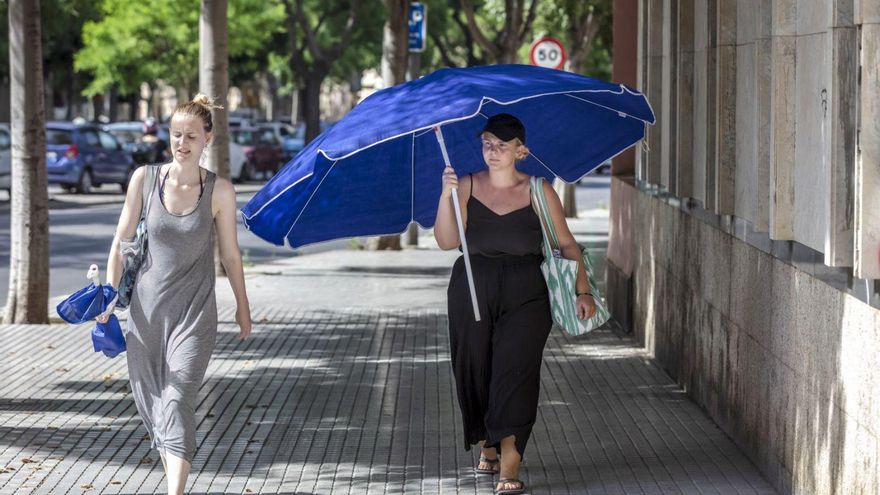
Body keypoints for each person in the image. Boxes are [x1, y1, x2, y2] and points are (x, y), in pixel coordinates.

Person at [434, 113, 596, 495]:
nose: (492, 151)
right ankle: (488, 441)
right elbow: (445, 241)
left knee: (516, 371)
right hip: (473, 285)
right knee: (476, 368)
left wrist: (583, 290)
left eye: (501, 146)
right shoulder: (467, 186)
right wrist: (445, 195)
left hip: (527, 290)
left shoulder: (539, 190)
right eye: (487, 144)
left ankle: (510, 460)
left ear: (520, 150)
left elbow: (566, 244)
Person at [98, 94, 252, 495]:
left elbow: (232, 256)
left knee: (178, 397)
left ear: (208, 139)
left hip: (195, 314)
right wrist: (108, 299)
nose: (182, 143)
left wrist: (243, 307)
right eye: (175, 135)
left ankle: (175, 492)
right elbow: (121, 242)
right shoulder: (144, 180)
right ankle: (175, 480)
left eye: (191, 136)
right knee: (154, 405)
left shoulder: (220, 192)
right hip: (146, 315)